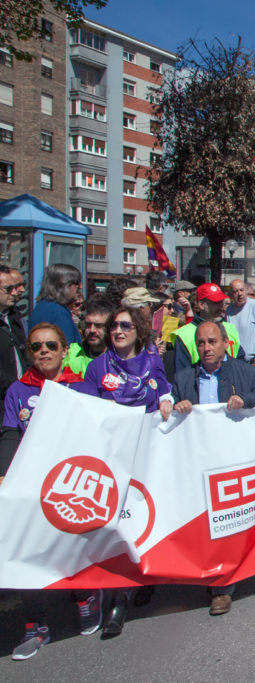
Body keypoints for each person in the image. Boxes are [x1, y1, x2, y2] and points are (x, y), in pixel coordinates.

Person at [1, 323, 103, 660]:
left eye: (50, 345)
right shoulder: (18, 390)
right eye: (35, 347)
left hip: (71, 481)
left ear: (63, 349)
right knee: (25, 550)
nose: (43, 351)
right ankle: (35, 625)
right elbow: (10, 433)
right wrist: (4, 475)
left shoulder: (82, 386)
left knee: (73, 544)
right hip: (30, 484)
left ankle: (87, 597)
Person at [74, 306, 172, 636]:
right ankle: (116, 599)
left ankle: (141, 578)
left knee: (140, 520)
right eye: (114, 325)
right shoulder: (97, 367)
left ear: (138, 331)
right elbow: (88, 409)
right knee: (115, 524)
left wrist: (166, 399)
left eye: (125, 326)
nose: (118, 330)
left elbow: (163, 388)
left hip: (146, 454)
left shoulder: (151, 361)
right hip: (111, 456)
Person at [172, 320, 255, 615]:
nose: (206, 348)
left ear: (226, 343)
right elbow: (169, 406)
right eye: (201, 343)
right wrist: (175, 406)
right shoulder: (183, 378)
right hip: (197, 460)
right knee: (203, 524)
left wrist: (245, 400)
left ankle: (222, 587)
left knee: (226, 523)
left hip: (233, 459)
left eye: (212, 342)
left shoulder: (246, 372)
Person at [172, 284, 241, 371]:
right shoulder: (184, 334)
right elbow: (182, 373)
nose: (221, 307)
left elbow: (241, 363)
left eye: (221, 302)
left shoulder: (230, 328)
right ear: (201, 305)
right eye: (215, 303)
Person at [28, 263, 82, 345]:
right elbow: (68, 348)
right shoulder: (60, 313)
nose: (80, 287)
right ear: (63, 285)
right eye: (76, 283)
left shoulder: (41, 306)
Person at [64, 296, 115, 376]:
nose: (92, 330)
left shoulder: (117, 357)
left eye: (98, 325)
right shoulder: (71, 352)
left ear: (109, 327)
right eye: (88, 324)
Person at [225, 279, 255, 362]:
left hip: (252, 360)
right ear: (231, 295)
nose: (240, 294)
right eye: (236, 291)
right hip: (235, 361)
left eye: (241, 290)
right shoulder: (229, 310)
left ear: (246, 291)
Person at [0, 266, 28, 401]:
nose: (14, 292)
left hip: (17, 394)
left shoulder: (13, 316)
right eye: (8, 289)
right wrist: (16, 388)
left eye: (14, 287)